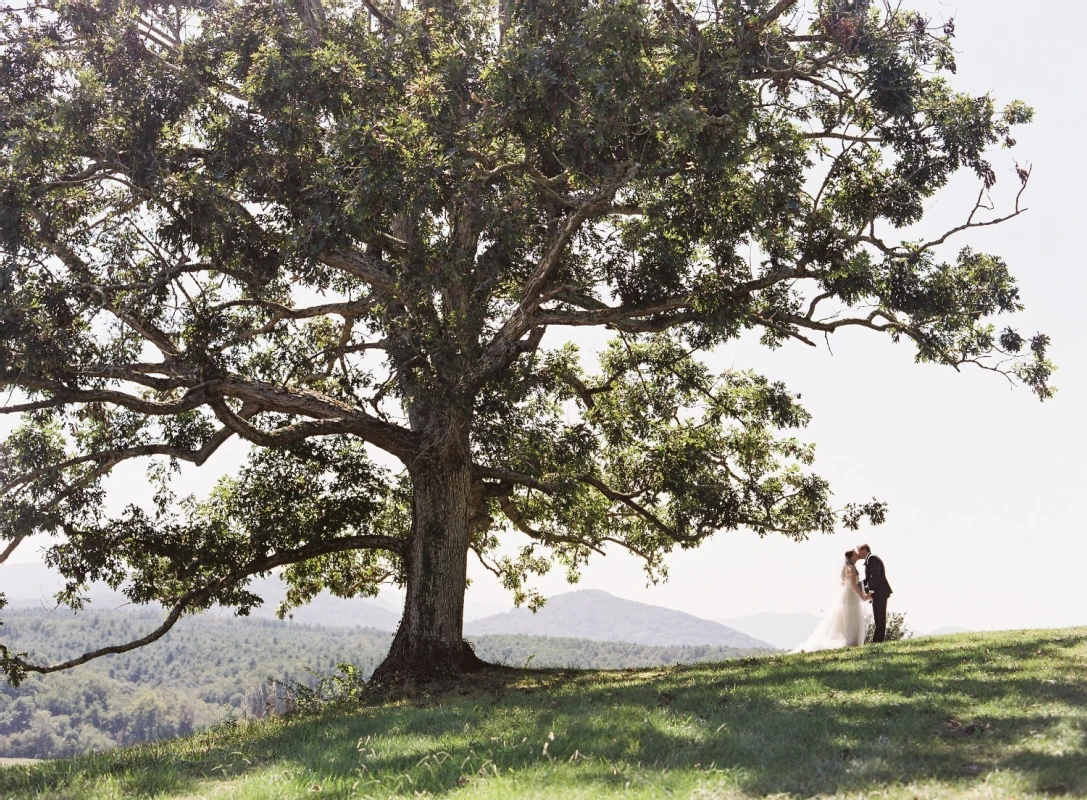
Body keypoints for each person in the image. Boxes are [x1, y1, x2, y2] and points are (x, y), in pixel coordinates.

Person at [792, 550, 871, 653]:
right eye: (855, 554)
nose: (857, 555)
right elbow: (853, 584)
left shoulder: (847, 567)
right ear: (851, 557)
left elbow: (845, 583)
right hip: (851, 595)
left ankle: (851, 638)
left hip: (848, 594)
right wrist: (862, 596)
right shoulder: (851, 568)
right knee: (851, 615)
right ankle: (850, 639)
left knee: (848, 616)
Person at [857, 543, 893, 643]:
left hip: (880, 592)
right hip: (878, 592)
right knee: (878, 616)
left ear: (864, 550)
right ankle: (877, 640)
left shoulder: (872, 559)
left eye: (858, 550)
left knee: (880, 616)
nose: (857, 553)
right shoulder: (870, 560)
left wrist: (871, 592)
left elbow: (875, 576)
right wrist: (857, 584)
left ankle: (878, 641)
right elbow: (868, 579)